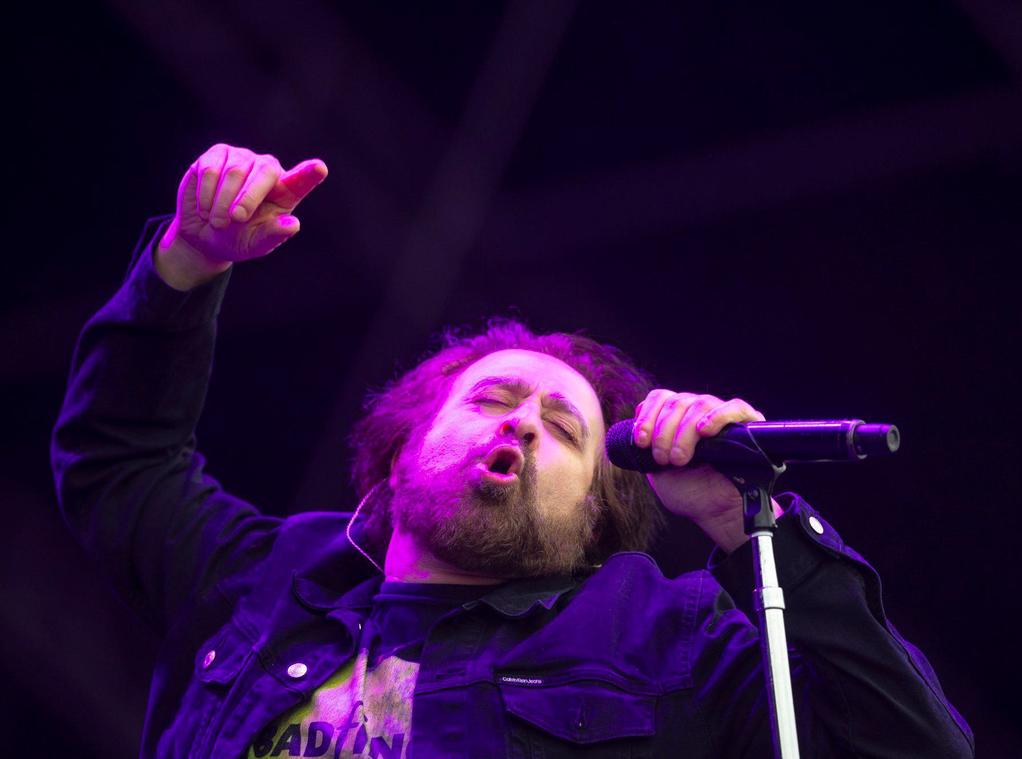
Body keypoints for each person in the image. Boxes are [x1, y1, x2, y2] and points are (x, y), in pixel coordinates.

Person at [52, 144, 974, 758]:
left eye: (566, 428)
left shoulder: (664, 639)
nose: (523, 422)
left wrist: (744, 519)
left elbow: (911, 744)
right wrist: (184, 264)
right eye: (492, 398)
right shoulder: (269, 575)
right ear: (407, 441)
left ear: (598, 510)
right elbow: (120, 461)